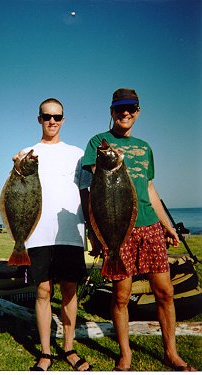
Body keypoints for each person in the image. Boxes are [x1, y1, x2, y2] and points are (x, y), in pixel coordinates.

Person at [82, 88, 197, 371]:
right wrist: (95, 233)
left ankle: (171, 353)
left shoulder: (145, 147)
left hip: (150, 228)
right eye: (120, 108)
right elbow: (92, 187)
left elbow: (149, 189)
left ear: (138, 111)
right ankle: (126, 356)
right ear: (111, 111)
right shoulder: (98, 142)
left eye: (131, 108)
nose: (125, 113)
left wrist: (167, 227)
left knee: (165, 292)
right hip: (119, 230)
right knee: (121, 295)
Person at [13, 98, 91, 371]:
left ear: (64, 119)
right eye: (47, 116)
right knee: (43, 290)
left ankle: (69, 348)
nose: (52, 121)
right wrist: (15, 166)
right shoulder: (27, 153)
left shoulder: (78, 154)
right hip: (36, 233)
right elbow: (15, 195)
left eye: (57, 116)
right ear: (39, 119)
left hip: (70, 232)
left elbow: (89, 193)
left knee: (69, 290)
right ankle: (46, 352)